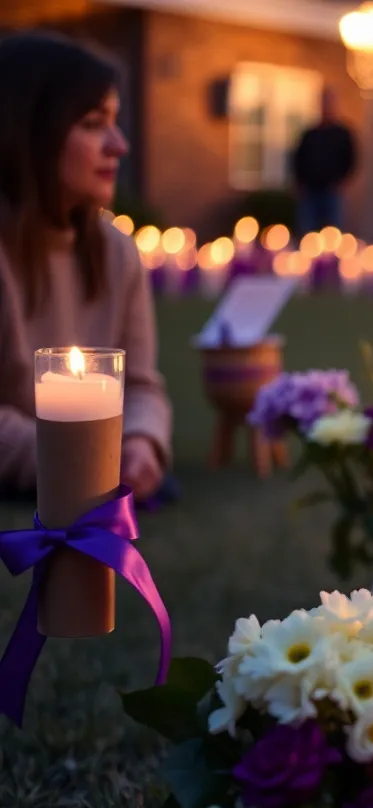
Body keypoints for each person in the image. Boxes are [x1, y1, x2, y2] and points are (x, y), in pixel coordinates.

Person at [0, 32, 171, 499]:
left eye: (116, 123)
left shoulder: (118, 252)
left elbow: (140, 385)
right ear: (32, 133)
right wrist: (71, 461)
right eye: (95, 124)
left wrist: (140, 443)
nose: (119, 145)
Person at [291, 89, 357, 234]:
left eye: (329, 102)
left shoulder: (342, 134)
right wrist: (300, 183)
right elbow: (297, 158)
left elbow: (351, 159)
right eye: (323, 103)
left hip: (332, 190)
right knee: (307, 231)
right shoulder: (310, 134)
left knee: (333, 231)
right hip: (310, 190)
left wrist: (343, 181)